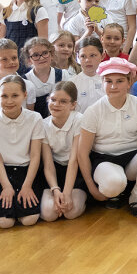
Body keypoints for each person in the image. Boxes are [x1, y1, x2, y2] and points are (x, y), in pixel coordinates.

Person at [76, 58, 137, 218]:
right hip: (104, 160)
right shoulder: (93, 111)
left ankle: (135, 197)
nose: (113, 86)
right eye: (108, 81)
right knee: (114, 184)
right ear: (102, 83)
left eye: (120, 81)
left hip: (132, 159)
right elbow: (82, 153)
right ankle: (117, 191)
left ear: (129, 82)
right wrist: (92, 189)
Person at [0, 75, 45, 228]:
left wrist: (27, 186)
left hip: (27, 171)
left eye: (15, 95)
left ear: (25, 95)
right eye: (4, 96)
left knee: (29, 219)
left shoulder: (35, 118)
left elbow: (35, 155)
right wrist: (6, 187)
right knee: (4, 223)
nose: (9, 101)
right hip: (2, 172)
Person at [39, 81, 87, 222]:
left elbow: (74, 160)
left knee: (70, 212)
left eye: (63, 101)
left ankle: (85, 199)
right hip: (55, 170)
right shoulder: (43, 124)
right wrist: (55, 190)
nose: (56, 104)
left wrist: (66, 193)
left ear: (73, 105)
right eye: (53, 100)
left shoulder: (79, 120)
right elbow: (48, 164)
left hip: (76, 170)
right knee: (49, 214)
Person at [22, 37, 63, 117]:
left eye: (45, 53)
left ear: (51, 54)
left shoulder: (63, 75)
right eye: (35, 55)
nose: (41, 58)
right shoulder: (24, 81)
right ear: (29, 60)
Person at [69, 36, 106, 113]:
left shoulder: (108, 81)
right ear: (78, 57)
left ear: (102, 56)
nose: (88, 60)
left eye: (92, 55)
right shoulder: (72, 83)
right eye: (83, 56)